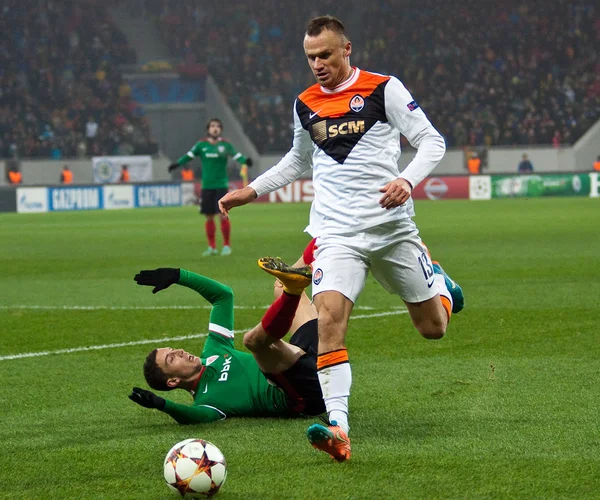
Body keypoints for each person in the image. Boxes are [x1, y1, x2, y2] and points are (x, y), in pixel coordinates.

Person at [218, 16, 464, 461]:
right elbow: (298, 160)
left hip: (391, 230)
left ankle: (442, 287)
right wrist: (251, 190)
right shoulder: (304, 103)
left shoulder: (383, 88)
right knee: (330, 322)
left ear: (346, 48)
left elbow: (431, 142)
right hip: (335, 234)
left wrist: (406, 181)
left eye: (325, 55)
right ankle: (339, 429)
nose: (317, 64)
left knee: (433, 328)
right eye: (311, 57)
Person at [128, 260, 325, 424]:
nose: (179, 351)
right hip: (307, 397)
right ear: (173, 381)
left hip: (313, 365)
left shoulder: (214, 349)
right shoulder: (207, 401)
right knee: (252, 341)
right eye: (171, 359)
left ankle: (320, 241)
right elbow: (195, 417)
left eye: (173, 349)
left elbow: (223, 297)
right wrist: (163, 405)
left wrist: (178, 275)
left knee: (281, 286)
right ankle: (295, 291)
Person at [168, 118, 253, 257]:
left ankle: (226, 246)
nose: (215, 128)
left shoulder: (226, 145)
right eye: (212, 126)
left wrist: (246, 161)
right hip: (207, 186)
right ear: (208, 129)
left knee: (222, 216)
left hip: (221, 185)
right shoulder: (201, 145)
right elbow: (188, 156)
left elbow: (237, 156)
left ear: (221, 129)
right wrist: (176, 164)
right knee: (209, 217)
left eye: (218, 126)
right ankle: (211, 247)